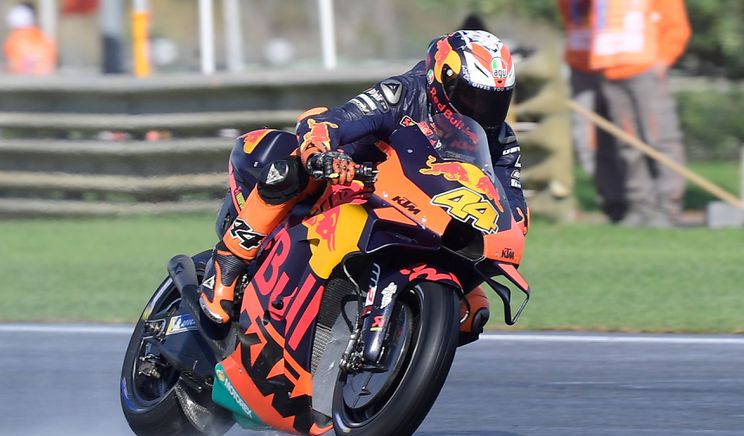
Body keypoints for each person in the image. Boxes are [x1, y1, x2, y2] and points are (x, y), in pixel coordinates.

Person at [199, 30, 529, 332]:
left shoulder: (500, 140)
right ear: (441, 80)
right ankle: (229, 260)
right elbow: (334, 122)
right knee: (292, 168)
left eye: (496, 101)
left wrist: (507, 233)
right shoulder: (403, 93)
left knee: (472, 314)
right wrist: (322, 154)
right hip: (356, 184)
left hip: (430, 220)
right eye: (473, 97)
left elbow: (512, 207)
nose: (483, 110)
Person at [559, 0, 690, 226]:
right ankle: (640, 207)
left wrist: (662, 60)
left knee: (660, 140)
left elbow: (677, 26)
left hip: (644, 68)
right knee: (628, 146)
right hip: (610, 71)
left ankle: (668, 209)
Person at [3, 2, 56, 75]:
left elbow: (12, 65)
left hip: (23, 81)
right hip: (45, 81)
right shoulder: (45, 37)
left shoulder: (15, 39)